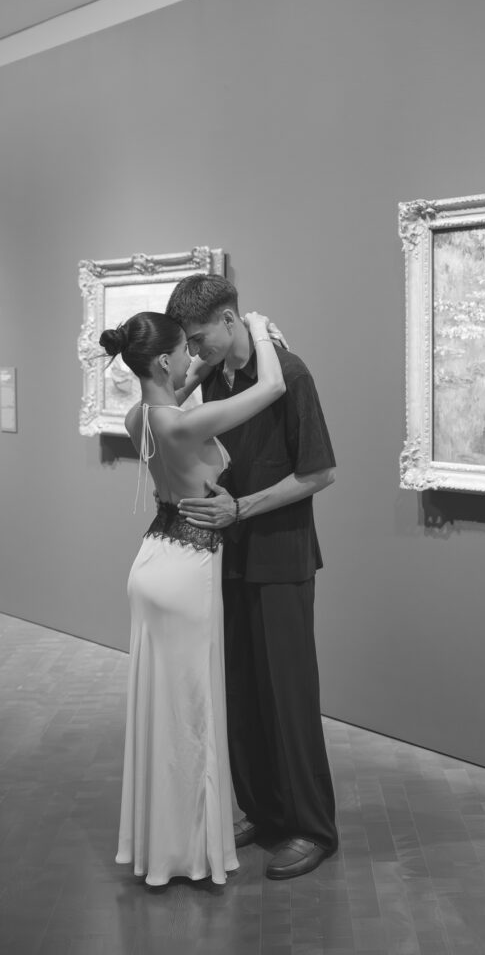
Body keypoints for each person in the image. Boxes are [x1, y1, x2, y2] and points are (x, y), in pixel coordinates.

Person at [100, 308, 285, 887]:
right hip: (187, 571)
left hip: (153, 560)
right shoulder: (187, 423)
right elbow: (274, 386)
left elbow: (174, 386)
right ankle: (187, 852)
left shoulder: (140, 417)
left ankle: (162, 845)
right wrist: (256, 328)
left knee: (163, 712)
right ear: (162, 359)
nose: (193, 359)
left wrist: (201, 360)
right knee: (193, 715)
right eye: (185, 350)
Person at [165, 275, 338, 880]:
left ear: (233, 319)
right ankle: (263, 812)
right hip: (227, 558)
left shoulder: (291, 373)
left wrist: (240, 508)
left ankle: (312, 828)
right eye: (186, 341)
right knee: (240, 694)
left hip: (282, 560)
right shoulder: (212, 379)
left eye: (199, 337)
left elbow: (318, 474)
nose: (194, 349)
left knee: (289, 698)